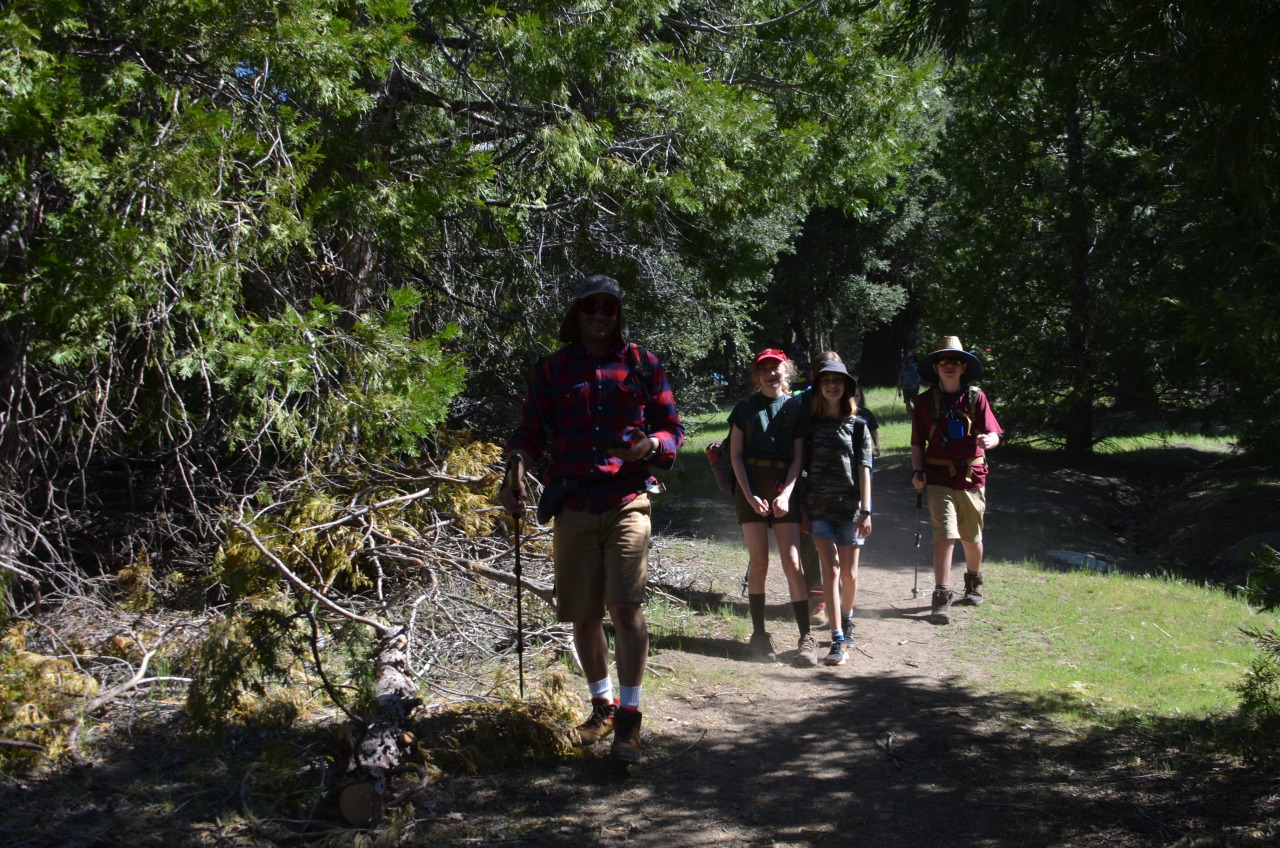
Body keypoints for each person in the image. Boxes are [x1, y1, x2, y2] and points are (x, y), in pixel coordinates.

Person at [498, 275, 684, 766]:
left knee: (625, 608)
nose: (599, 315)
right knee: (582, 614)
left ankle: (630, 717)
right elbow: (530, 430)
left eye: (608, 307)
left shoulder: (642, 364)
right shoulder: (552, 369)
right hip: (573, 503)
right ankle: (600, 706)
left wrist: (651, 446)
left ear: (618, 314)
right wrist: (516, 465)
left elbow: (672, 429)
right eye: (590, 308)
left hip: (627, 499)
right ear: (576, 314)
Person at [728, 349, 816, 667]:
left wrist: (788, 494)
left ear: (786, 370)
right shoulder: (745, 408)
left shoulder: (795, 408)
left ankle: (806, 638)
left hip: (783, 490)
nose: (770, 373)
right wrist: (749, 494)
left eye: (775, 367)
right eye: (763, 368)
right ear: (757, 375)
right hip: (750, 489)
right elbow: (735, 455)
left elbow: (798, 457)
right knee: (760, 562)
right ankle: (759, 636)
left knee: (793, 563)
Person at [909, 336, 1002, 625]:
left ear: (964, 368)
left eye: (955, 361)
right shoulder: (924, 402)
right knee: (945, 535)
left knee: (972, 537)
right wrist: (917, 472)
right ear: (936, 368)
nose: (950, 366)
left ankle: (973, 581)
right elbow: (917, 444)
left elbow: (994, 434)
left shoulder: (977, 397)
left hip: (973, 476)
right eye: (944, 361)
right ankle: (941, 596)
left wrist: (991, 440)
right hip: (937, 477)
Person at [804, 361, 874, 665]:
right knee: (829, 571)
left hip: (851, 510)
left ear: (847, 387)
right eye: (826, 381)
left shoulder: (859, 426)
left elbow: (865, 471)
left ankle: (847, 618)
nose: (831, 385)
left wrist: (866, 510)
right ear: (819, 387)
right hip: (819, 508)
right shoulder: (810, 424)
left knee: (848, 573)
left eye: (837, 381)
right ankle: (837, 637)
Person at [794, 351, 844, 626]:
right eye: (822, 369)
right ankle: (817, 600)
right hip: (808, 477)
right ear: (814, 372)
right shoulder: (801, 401)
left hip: (841, 483)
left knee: (841, 541)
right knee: (810, 538)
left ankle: (840, 600)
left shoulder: (847, 395)